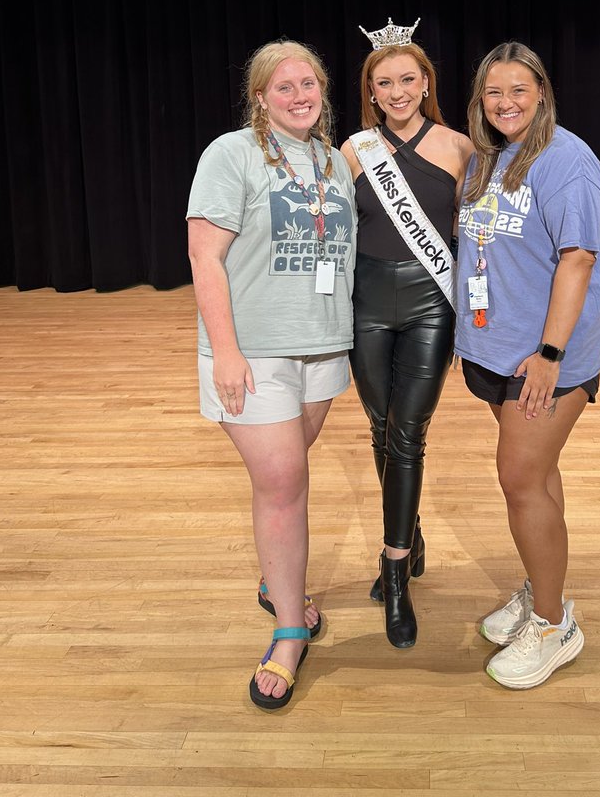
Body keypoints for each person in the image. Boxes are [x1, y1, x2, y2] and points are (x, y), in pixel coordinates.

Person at [186, 40, 356, 711]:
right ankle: (290, 629)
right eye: (282, 87)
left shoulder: (332, 162)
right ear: (260, 97)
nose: (298, 95)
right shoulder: (230, 155)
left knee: (282, 476)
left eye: (307, 83)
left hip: (323, 347)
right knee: (285, 482)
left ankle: (274, 577)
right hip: (253, 351)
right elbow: (205, 256)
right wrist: (225, 351)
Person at [454, 41, 600, 690]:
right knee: (538, 478)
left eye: (518, 90)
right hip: (497, 344)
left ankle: (553, 625)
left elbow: (579, 260)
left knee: (519, 478)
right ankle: (542, 585)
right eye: (494, 92)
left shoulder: (566, 160)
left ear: (541, 92)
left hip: (545, 357)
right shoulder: (488, 157)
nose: (506, 102)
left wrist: (549, 355)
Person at [341, 17, 473, 649]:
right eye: (383, 82)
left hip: (429, 304)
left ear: (426, 82)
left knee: (407, 433)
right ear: (370, 89)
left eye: (407, 79)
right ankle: (412, 536)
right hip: (366, 303)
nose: (396, 92)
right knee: (380, 426)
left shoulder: (458, 147)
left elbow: (480, 238)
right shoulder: (352, 152)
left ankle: (395, 571)